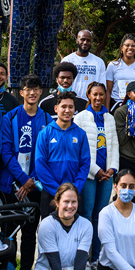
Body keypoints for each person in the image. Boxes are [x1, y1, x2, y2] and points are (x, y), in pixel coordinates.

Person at [0, 74, 51, 270]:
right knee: (9, 231)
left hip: (36, 185)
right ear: (21, 92)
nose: (32, 92)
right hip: (12, 183)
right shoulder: (9, 118)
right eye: (28, 89)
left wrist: (32, 180)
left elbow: (47, 153)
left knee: (30, 232)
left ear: (40, 92)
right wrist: (22, 179)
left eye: (36, 89)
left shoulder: (47, 120)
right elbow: (6, 151)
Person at [74, 81, 117, 270]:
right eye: (95, 95)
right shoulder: (81, 118)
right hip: (90, 174)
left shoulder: (109, 118)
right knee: (86, 213)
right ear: (89, 95)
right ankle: (82, 258)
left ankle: (96, 259)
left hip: (107, 175)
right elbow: (81, 150)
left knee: (101, 216)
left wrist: (112, 169)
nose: (98, 98)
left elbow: (114, 144)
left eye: (102, 95)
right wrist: (97, 170)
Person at [32, 92, 90, 221]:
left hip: (73, 196)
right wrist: (58, 192)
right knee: (48, 234)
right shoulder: (45, 133)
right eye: (64, 106)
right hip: (50, 195)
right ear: (56, 108)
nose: (67, 110)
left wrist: (74, 189)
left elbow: (85, 164)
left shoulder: (81, 134)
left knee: (72, 233)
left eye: (71, 107)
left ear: (75, 109)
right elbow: (40, 165)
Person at [105, 35, 135, 110]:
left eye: (133, 46)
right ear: (122, 48)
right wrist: (107, 111)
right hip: (117, 105)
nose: (130, 48)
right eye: (127, 45)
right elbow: (108, 91)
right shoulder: (112, 65)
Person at [62, 29, 106, 100]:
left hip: (92, 104)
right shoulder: (67, 60)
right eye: (82, 39)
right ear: (77, 40)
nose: (85, 42)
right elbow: (62, 85)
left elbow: (102, 87)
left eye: (88, 40)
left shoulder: (99, 62)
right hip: (72, 102)